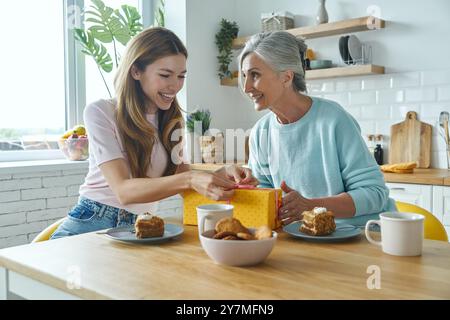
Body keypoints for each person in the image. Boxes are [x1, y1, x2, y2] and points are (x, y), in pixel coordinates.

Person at [51, 27, 257, 239]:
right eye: (165, 75)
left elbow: (181, 176)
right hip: (93, 222)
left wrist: (222, 175)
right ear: (136, 71)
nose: (175, 86)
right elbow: (124, 191)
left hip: (144, 226)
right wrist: (191, 178)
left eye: (181, 76)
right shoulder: (100, 112)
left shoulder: (170, 119)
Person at [238, 31, 396, 227]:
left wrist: (310, 206)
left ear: (286, 77)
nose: (246, 87)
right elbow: (264, 190)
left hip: (362, 236)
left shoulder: (333, 120)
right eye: (244, 75)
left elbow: (375, 194)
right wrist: (244, 188)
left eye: (255, 75)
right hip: (303, 236)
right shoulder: (261, 132)